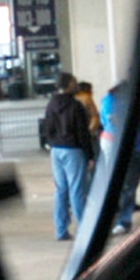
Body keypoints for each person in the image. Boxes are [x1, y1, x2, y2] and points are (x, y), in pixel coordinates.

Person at [41, 71, 95, 240]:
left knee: (61, 190)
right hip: (73, 150)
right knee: (77, 190)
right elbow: (82, 133)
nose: (76, 83)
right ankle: (85, 229)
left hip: (56, 150)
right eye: (73, 81)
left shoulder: (51, 104)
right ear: (68, 84)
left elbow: (47, 128)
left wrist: (51, 143)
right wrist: (90, 155)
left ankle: (61, 230)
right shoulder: (75, 105)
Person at [100, 78, 140, 233]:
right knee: (124, 183)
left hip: (126, 144)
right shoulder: (112, 100)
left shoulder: (114, 100)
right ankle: (122, 218)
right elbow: (111, 120)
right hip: (116, 143)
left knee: (127, 184)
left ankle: (124, 217)